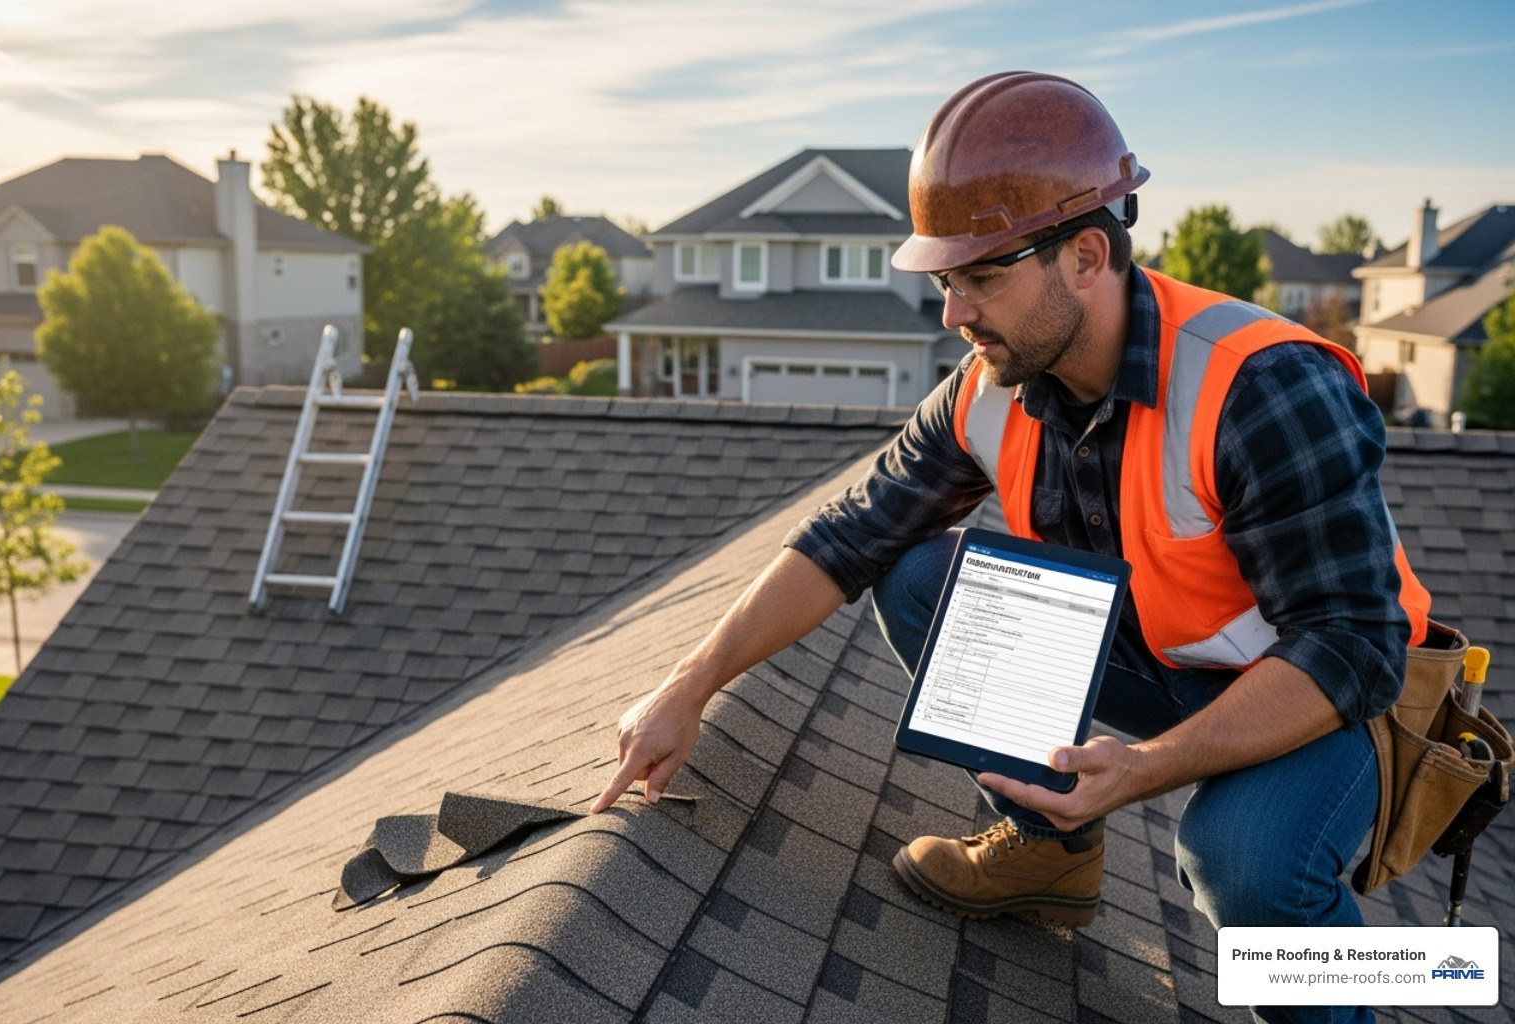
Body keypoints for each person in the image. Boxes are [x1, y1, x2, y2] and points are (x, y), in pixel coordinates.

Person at [591, 72, 1430, 1024]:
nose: (954, 313)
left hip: (1325, 690)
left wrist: (1145, 768)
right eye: (946, 281)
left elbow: (1355, 645)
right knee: (916, 572)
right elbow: (849, 536)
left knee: (1244, 864)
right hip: (1159, 658)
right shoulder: (987, 388)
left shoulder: (1260, 385)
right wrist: (689, 686)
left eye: (983, 277)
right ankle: (1045, 852)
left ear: (1086, 255)